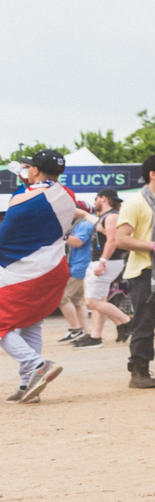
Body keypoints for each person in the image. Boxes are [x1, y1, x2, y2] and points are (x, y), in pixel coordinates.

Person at [2, 150, 80, 404]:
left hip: (27, 272)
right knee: (31, 323)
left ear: (34, 169)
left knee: (2, 324)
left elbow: (5, 238)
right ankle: (27, 385)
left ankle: (37, 365)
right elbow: (45, 197)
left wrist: (26, 184)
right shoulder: (67, 195)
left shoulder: (22, 199)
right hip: (55, 268)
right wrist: (30, 182)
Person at [111, 154, 155, 390]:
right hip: (144, 272)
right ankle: (139, 372)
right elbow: (121, 239)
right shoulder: (135, 202)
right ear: (153, 175)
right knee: (145, 324)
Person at [77, 191, 126, 347]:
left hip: (106, 261)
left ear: (103, 199)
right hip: (105, 261)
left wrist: (102, 262)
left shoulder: (112, 216)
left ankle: (126, 322)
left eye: (96, 199)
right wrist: (82, 214)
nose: (94, 202)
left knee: (92, 301)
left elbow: (112, 241)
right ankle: (95, 337)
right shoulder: (106, 217)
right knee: (99, 300)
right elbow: (95, 222)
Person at [56, 196, 99, 344]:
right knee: (77, 301)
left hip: (80, 266)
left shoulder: (85, 223)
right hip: (78, 265)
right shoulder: (80, 223)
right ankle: (83, 332)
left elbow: (78, 242)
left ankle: (75, 329)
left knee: (62, 297)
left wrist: (60, 233)